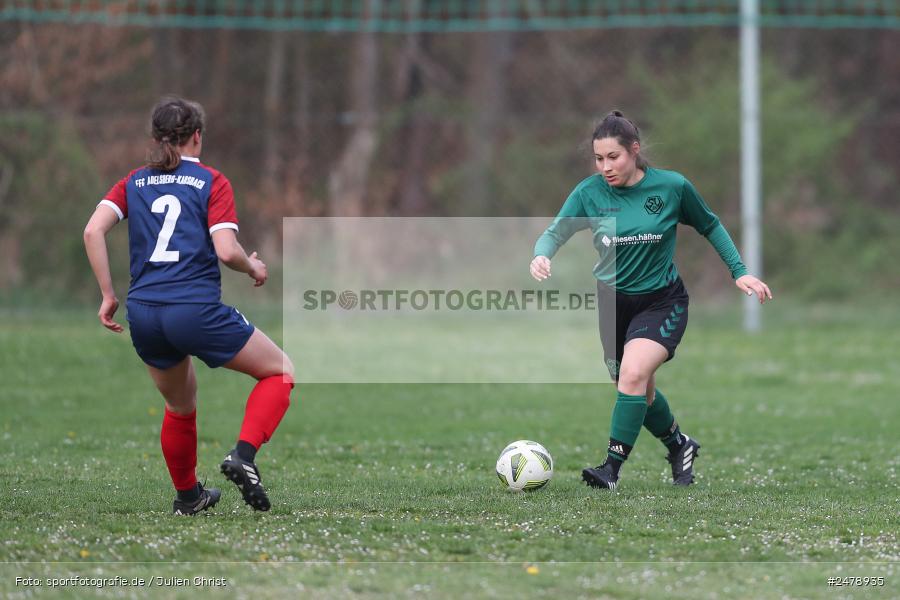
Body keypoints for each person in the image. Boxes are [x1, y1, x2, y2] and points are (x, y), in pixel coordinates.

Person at [531, 110, 771, 490]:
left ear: (634, 150)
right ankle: (679, 445)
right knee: (637, 390)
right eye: (599, 158)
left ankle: (610, 470)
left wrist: (739, 271)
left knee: (632, 376)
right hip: (612, 305)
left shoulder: (671, 188)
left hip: (661, 302)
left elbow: (709, 224)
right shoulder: (589, 193)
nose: (605, 167)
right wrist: (541, 255)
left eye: (613, 157)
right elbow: (555, 232)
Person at [83, 96, 295, 514]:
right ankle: (243, 456)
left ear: (155, 138)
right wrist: (252, 266)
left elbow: (93, 231)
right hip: (193, 309)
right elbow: (226, 250)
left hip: (144, 313)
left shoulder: (133, 182)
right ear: (197, 136)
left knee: (180, 405)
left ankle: (188, 497)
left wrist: (108, 294)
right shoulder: (211, 181)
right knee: (280, 372)